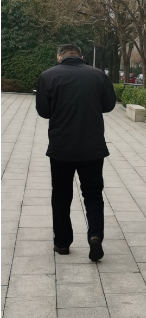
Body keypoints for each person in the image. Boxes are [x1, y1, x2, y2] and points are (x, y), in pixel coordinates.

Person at [35, 44, 117, 261]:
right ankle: (95, 236)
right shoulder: (98, 75)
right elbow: (109, 105)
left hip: (61, 147)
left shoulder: (48, 76)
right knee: (93, 193)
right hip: (92, 147)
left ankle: (62, 243)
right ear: (81, 56)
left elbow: (43, 111)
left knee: (61, 195)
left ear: (59, 56)